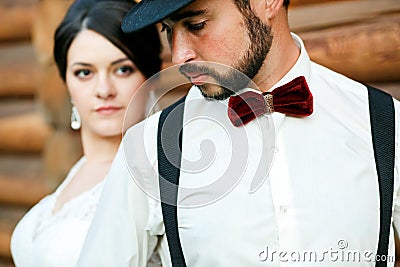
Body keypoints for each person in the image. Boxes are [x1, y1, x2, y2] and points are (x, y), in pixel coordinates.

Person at [79, 0, 400, 266]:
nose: (179, 57)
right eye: (168, 31)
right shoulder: (149, 149)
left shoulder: (385, 123)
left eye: (196, 24)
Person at [10, 0, 161, 266]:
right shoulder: (78, 172)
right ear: (66, 82)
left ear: (150, 78)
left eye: (122, 69)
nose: (104, 89)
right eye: (84, 73)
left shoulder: (156, 176)